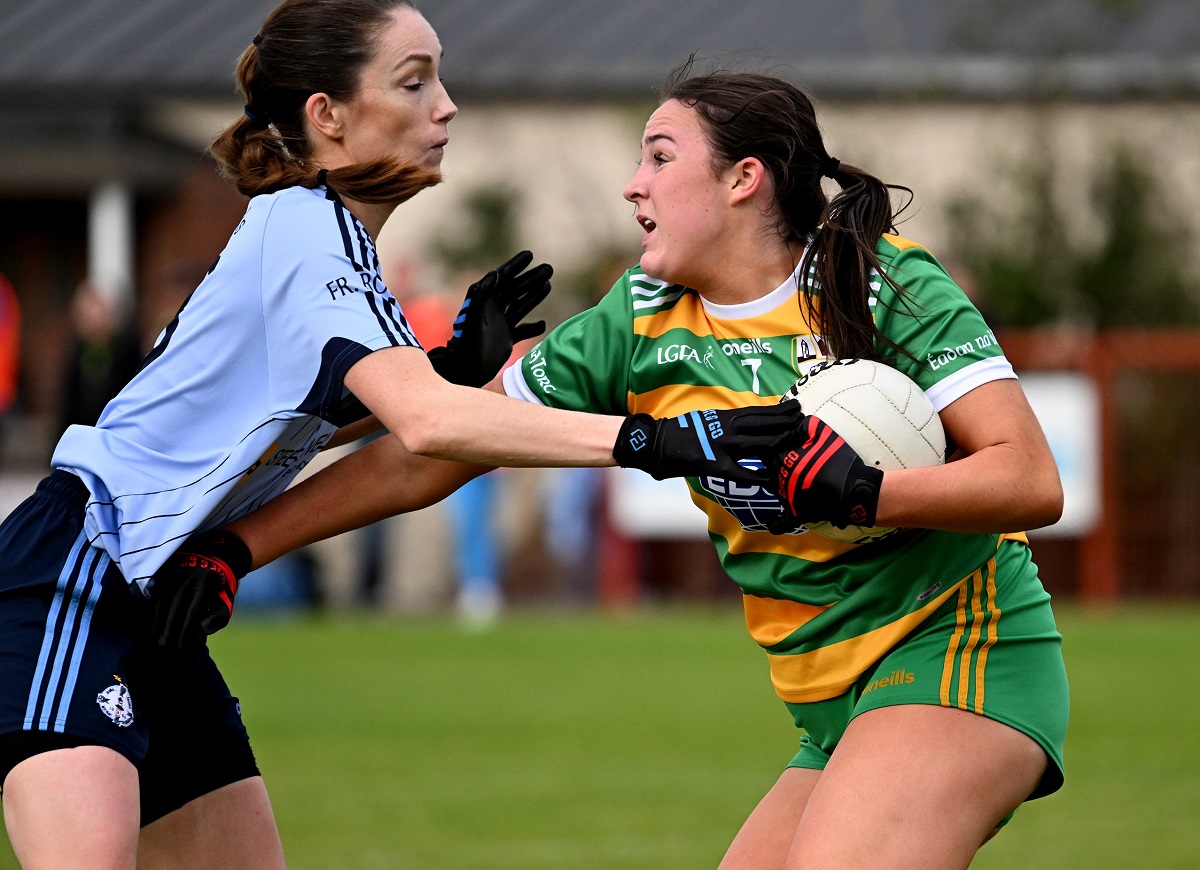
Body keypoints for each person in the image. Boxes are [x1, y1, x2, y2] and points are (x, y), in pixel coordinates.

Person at [142, 62, 1067, 870]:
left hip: (960, 652)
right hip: (828, 701)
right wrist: (234, 548)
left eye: (660, 157)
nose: (633, 186)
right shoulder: (641, 319)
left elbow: (1029, 480)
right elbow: (436, 449)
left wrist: (866, 493)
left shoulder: (879, 279)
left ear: (745, 179)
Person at [0, 7, 803, 866]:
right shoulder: (307, 231)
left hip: (155, 605)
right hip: (76, 579)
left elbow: (284, 425)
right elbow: (428, 428)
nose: (446, 106)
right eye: (414, 81)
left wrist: (448, 365)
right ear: (328, 116)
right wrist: (661, 441)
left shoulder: (326, 239)